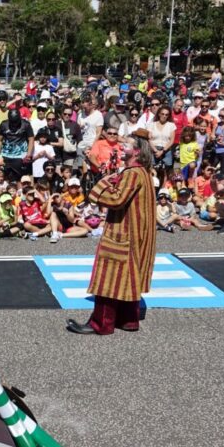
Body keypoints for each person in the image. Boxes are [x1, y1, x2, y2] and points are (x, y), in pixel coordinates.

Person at [66, 130, 156, 335]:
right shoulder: (144, 172)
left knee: (109, 278)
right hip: (136, 233)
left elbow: (116, 200)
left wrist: (102, 184)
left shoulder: (132, 173)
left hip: (123, 232)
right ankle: (127, 319)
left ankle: (101, 323)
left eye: (127, 144)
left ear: (137, 151)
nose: (122, 145)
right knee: (128, 277)